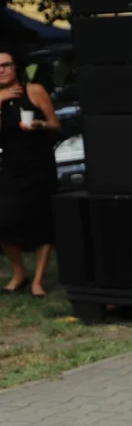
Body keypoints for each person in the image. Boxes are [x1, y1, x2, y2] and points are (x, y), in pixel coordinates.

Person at [0, 50, 60, 297]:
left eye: (6, 65)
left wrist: (41, 125)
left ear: (16, 67)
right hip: (10, 165)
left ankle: (37, 280)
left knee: (41, 220)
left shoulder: (33, 90)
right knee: (4, 219)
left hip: (39, 164)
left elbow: (56, 124)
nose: (2, 70)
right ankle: (18, 272)